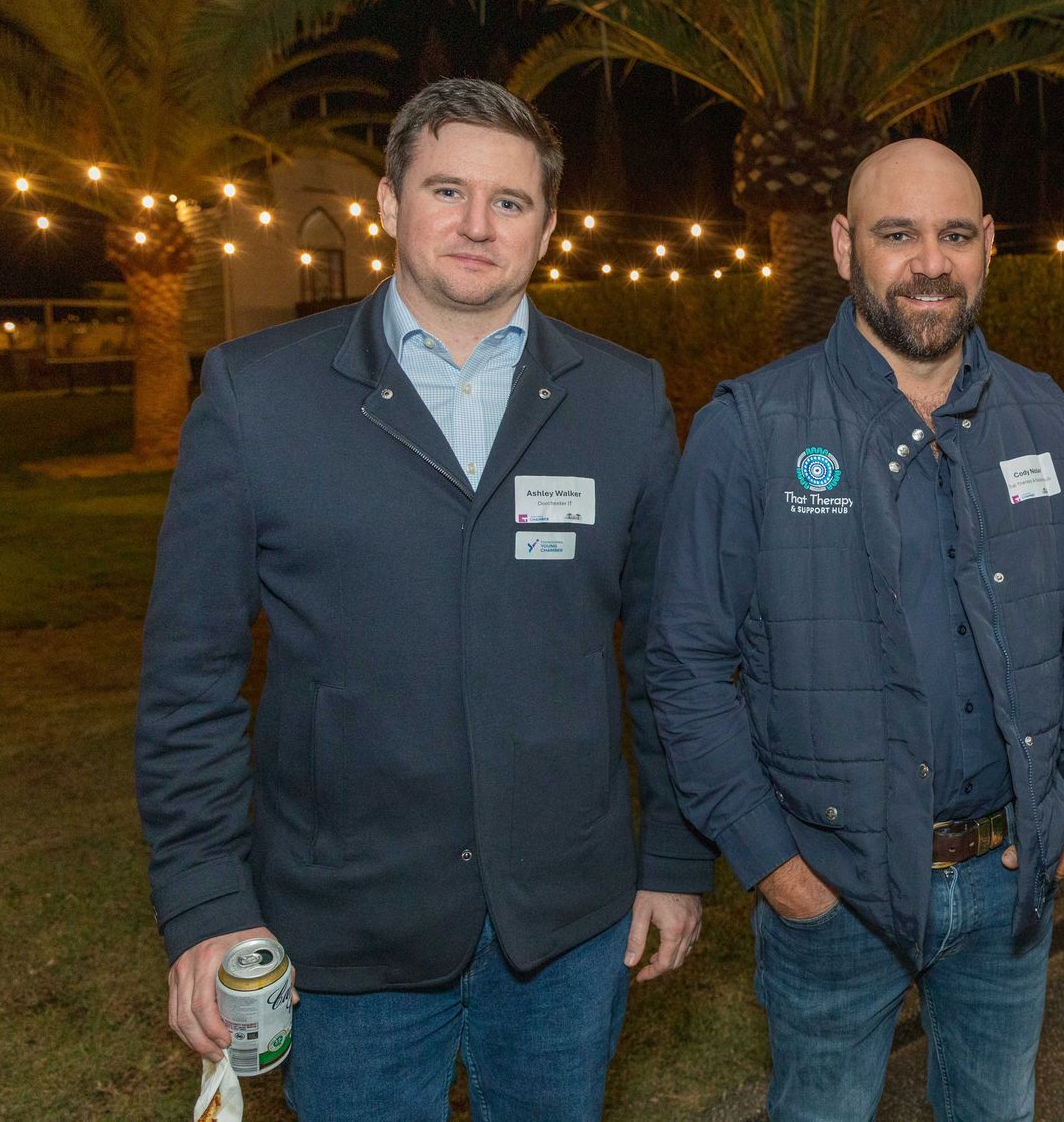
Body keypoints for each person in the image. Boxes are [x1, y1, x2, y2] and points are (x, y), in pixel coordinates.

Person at [135, 78, 710, 1120]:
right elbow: (190, 673)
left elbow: (669, 651)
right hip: (345, 931)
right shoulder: (257, 394)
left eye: (511, 200)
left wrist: (672, 853)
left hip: (569, 924)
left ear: (546, 225)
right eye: (447, 190)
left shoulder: (622, 398)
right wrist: (205, 901)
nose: (477, 225)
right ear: (391, 204)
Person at [646, 139, 1064, 1121]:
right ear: (843, 244)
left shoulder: (1043, 416)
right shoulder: (752, 425)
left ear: (989, 245)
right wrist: (771, 861)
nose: (929, 262)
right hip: (832, 892)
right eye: (897, 233)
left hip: (1007, 883)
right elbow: (686, 663)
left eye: (955, 234)